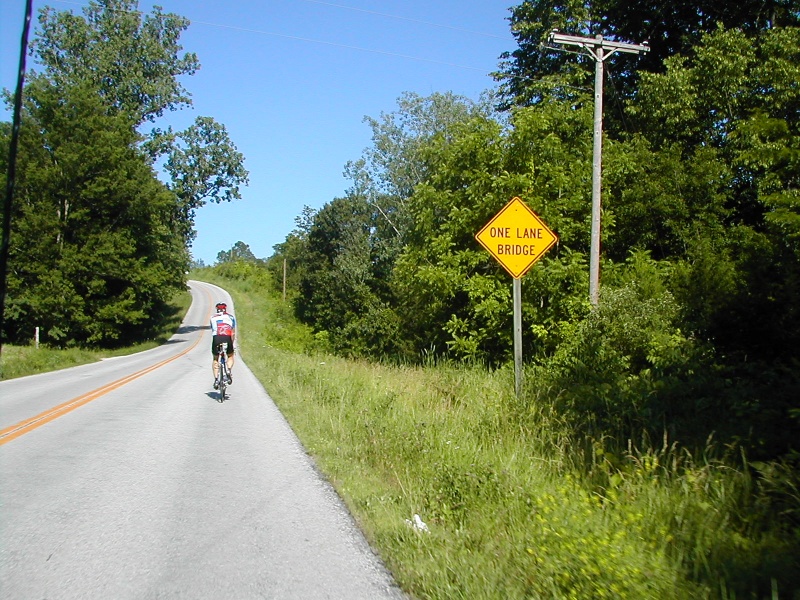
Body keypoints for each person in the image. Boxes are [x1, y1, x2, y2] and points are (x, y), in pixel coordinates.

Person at [210, 301, 236, 388]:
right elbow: (233, 333)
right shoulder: (231, 317)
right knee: (230, 355)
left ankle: (216, 380)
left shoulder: (212, 317)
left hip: (216, 338)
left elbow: (213, 330)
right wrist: (232, 343)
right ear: (225, 309)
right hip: (227, 337)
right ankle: (228, 370)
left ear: (217, 309)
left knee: (215, 358)